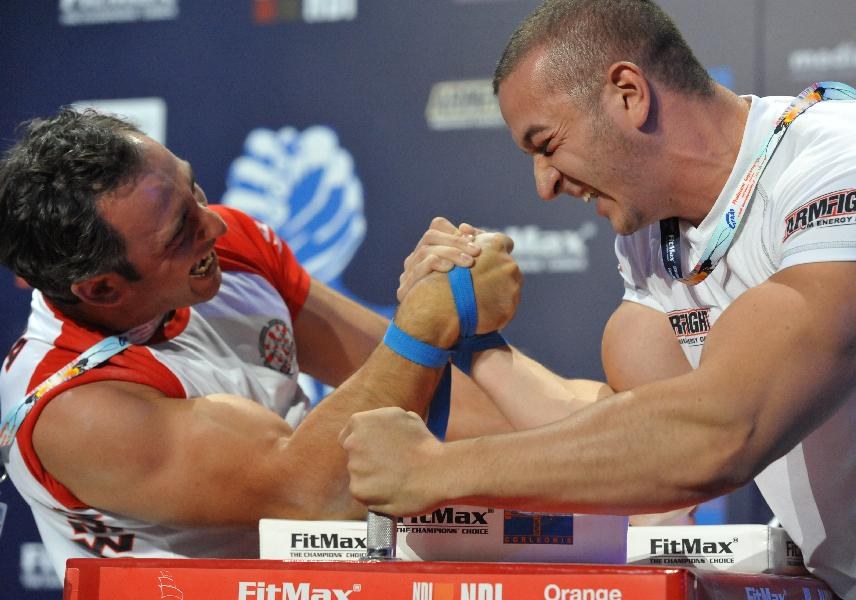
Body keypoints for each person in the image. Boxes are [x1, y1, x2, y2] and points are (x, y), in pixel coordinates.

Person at [338, 1, 856, 598]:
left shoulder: (849, 160)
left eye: (547, 144)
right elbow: (638, 440)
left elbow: (721, 431)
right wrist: (472, 335)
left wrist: (436, 471)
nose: (544, 184)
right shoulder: (650, 238)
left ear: (629, 93)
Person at [0, 108, 522, 578]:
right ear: (102, 289)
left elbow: (427, 387)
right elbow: (315, 495)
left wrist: (561, 450)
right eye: (180, 231)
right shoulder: (73, 408)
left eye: (193, 189)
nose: (214, 223)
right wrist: (428, 317)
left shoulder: (228, 249)